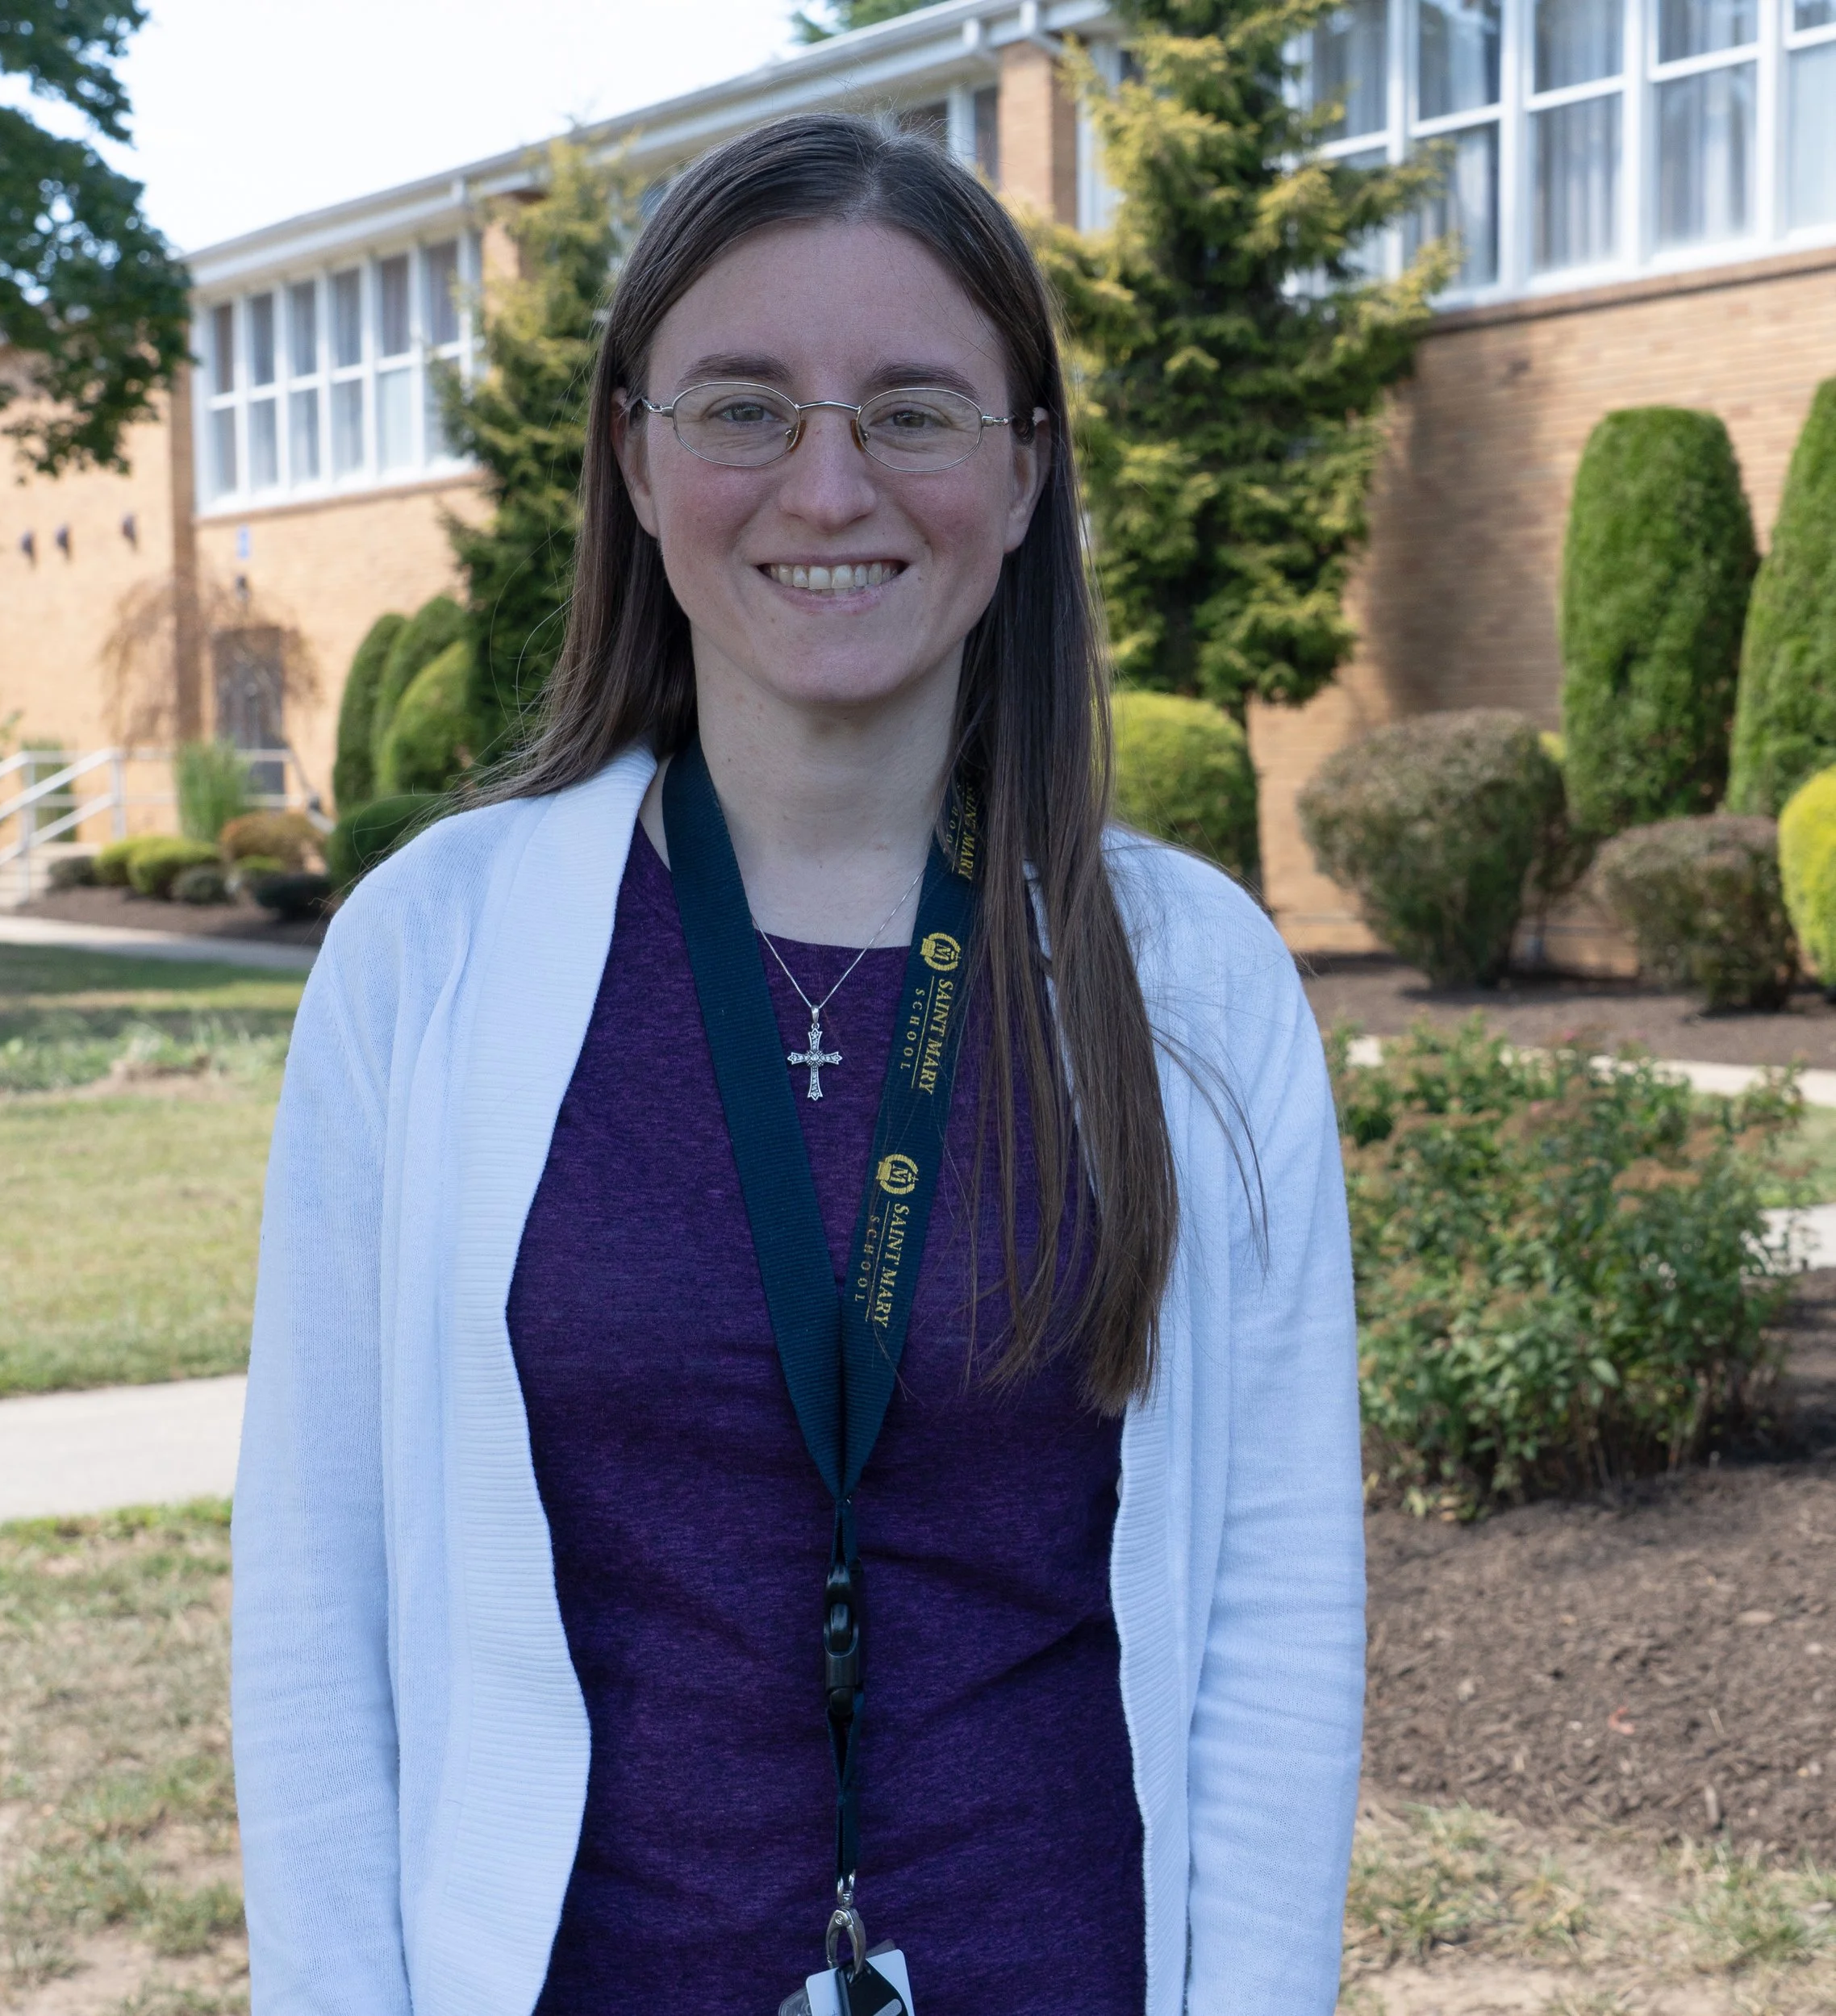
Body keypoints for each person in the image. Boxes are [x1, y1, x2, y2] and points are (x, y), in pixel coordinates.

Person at [232, 112, 1362, 2016]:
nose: (824, 486)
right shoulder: (426, 957)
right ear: (633, 457)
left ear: (1019, 480)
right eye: (742, 405)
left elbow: (1270, 1628)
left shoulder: (1189, 981)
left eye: (912, 412)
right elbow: (313, 1620)